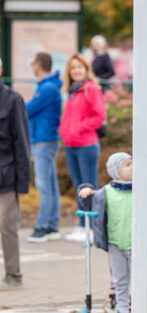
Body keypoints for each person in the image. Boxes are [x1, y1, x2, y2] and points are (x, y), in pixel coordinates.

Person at [59, 53, 106, 242]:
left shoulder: (91, 89)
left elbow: (99, 115)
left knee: (89, 185)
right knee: (79, 186)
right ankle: (81, 225)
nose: (76, 71)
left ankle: (93, 227)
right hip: (71, 145)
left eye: (80, 67)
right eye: (73, 68)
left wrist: (81, 128)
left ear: (86, 70)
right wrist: (65, 130)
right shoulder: (72, 91)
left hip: (86, 144)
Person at [77, 152, 132, 313]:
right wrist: (85, 190)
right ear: (117, 172)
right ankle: (123, 309)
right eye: (127, 165)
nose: (133, 167)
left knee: (139, 279)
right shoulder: (107, 192)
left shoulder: (140, 190)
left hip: (137, 245)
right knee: (120, 281)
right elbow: (89, 202)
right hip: (115, 245)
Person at [25, 52, 63, 243]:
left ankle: (42, 226)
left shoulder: (46, 88)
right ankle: (52, 224)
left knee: (44, 184)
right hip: (46, 139)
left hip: (43, 140)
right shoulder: (49, 86)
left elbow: (28, 109)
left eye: (33, 63)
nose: (32, 67)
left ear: (38, 65)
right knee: (50, 182)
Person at [0, 57, 31, 290]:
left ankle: (13, 276)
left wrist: (23, 182)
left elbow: (22, 143)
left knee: (8, 227)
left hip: (6, 175)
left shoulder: (13, 100)